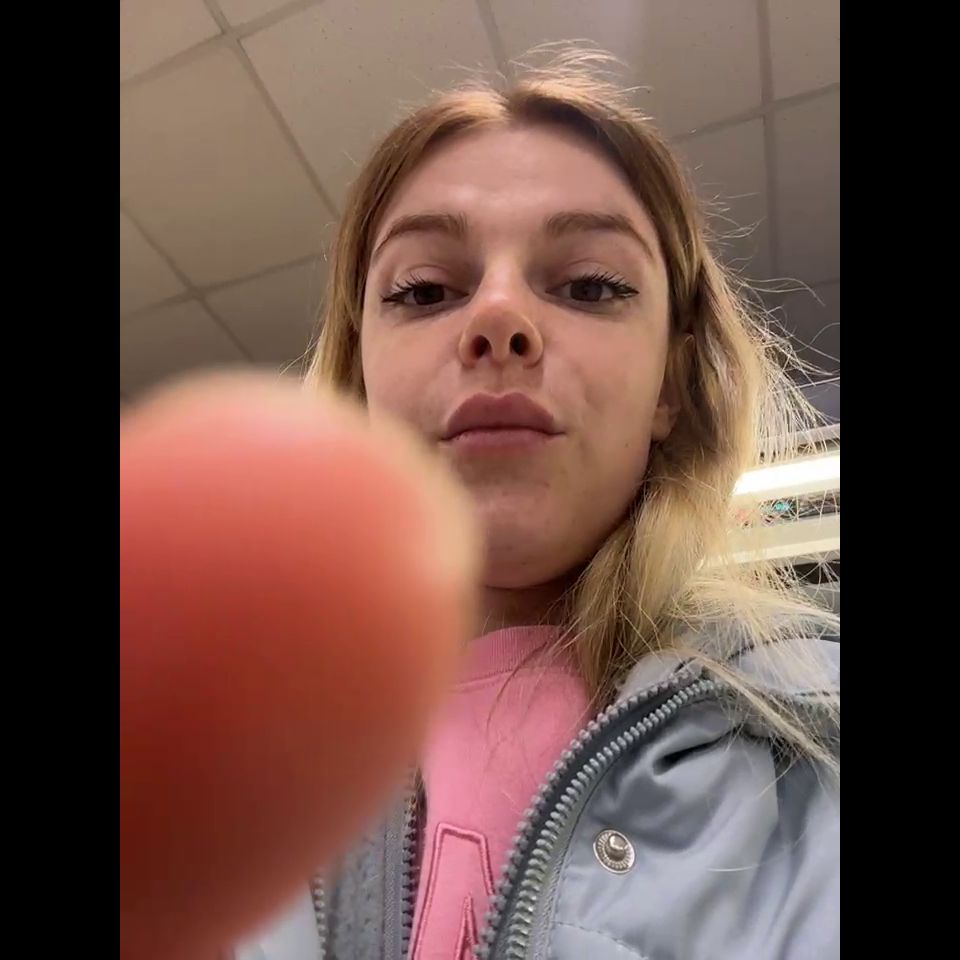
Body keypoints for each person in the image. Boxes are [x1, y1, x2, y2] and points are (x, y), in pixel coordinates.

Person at [226, 48, 839, 960]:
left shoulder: (815, 757)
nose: (498, 318)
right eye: (424, 290)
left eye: (591, 285)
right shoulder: (216, 770)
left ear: (670, 386)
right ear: (359, 388)